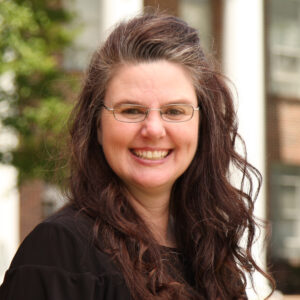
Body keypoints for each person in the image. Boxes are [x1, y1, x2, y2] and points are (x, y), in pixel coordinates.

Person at [0, 12, 274, 300]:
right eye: (130, 110)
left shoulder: (211, 256)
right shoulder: (58, 252)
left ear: (202, 126)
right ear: (97, 126)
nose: (153, 129)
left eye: (174, 111)